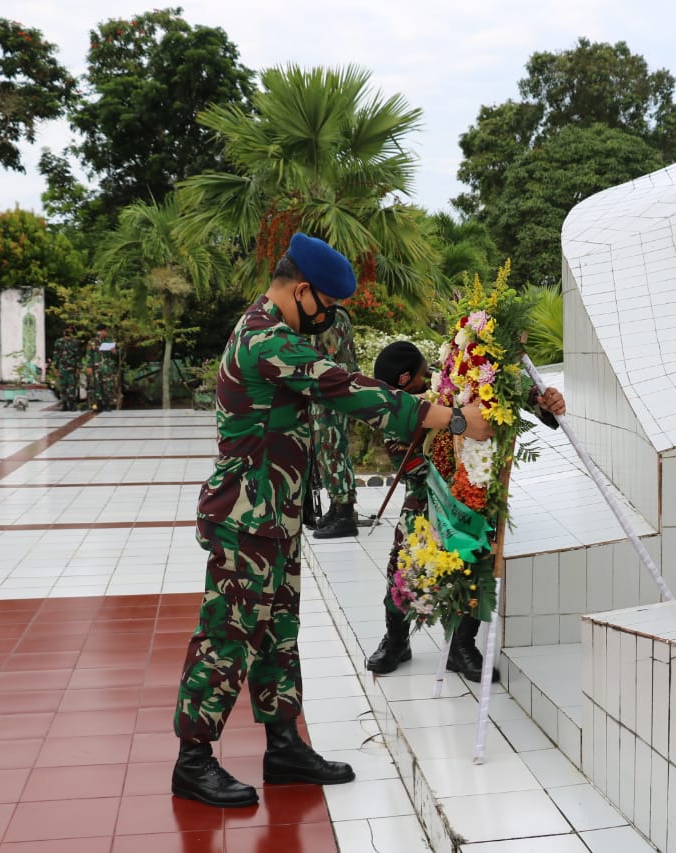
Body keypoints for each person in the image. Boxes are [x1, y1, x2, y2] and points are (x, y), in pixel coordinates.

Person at [171, 233, 493, 810]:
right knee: (227, 635)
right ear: (302, 291)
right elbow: (345, 387)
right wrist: (453, 419)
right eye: (327, 304)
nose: (328, 317)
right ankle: (192, 762)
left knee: (278, 632)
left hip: (273, 516)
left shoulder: (277, 333)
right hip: (247, 519)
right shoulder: (265, 339)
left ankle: (284, 747)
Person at [365, 341, 566, 681]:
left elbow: (503, 388)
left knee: (474, 559)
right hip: (426, 491)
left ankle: (461, 646)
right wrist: (452, 422)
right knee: (403, 561)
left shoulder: (450, 379)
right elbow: (413, 465)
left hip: (472, 487)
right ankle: (396, 639)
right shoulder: (395, 407)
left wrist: (542, 401)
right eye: (423, 375)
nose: (429, 375)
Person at [309, 304, 360, 538]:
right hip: (326, 390)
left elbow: (330, 357)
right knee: (327, 450)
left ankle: (344, 514)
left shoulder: (331, 316)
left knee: (333, 449)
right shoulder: (326, 313)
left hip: (332, 390)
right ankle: (337, 506)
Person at [85, 325, 117, 412]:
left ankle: (107, 404)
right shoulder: (92, 342)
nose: (106, 332)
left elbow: (114, 355)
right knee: (97, 385)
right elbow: (89, 355)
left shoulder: (109, 341)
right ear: (100, 331)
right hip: (96, 367)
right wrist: (89, 366)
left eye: (106, 331)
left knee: (108, 385)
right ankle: (98, 404)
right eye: (104, 331)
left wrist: (114, 352)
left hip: (107, 367)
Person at [51, 325, 83, 411]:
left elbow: (78, 356)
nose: (68, 331)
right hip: (62, 368)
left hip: (72, 368)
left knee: (72, 386)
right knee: (63, 387)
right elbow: (56, 355)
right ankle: (64, 404)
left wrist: (79, 367)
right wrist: (55, 367)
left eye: (70, 329)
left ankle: (72, 404)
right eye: (66, 329)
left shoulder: (76, 342)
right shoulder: (59, 342)